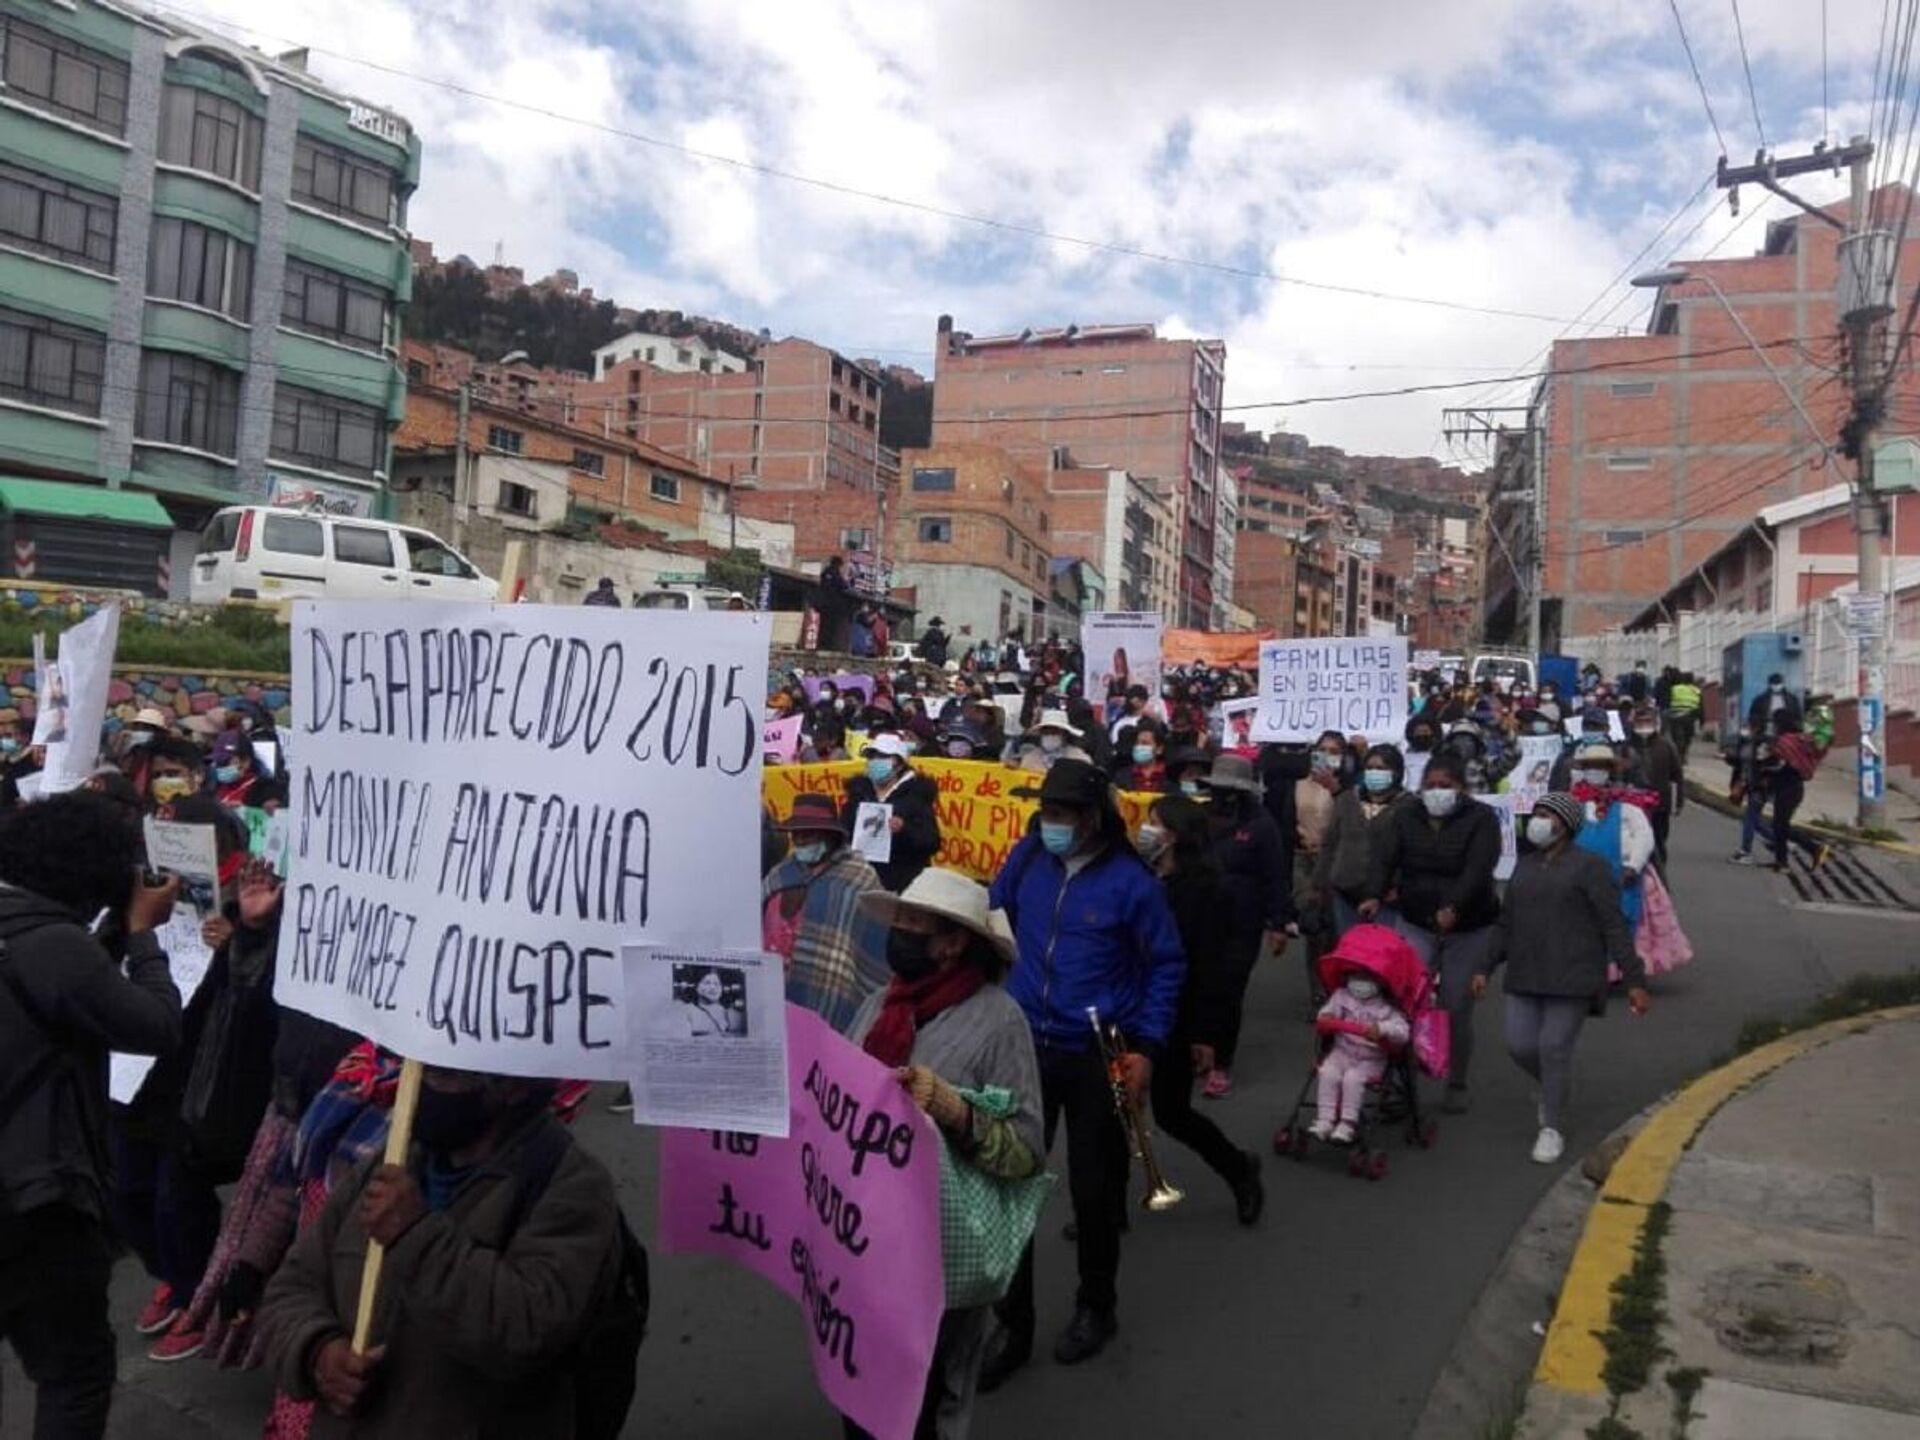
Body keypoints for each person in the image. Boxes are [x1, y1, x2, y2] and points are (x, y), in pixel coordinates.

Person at [258, 1065, 626, 1439]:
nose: (416, 1088)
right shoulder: (394, 1158)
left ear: (514, 1086)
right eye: (415, 1069)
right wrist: (316, 1351)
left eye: (442, 1077)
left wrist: (415, 1235)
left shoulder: (570, 1186)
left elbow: (527, 1330)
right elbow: (291, 1286)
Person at [982, 760, 1186, 1383]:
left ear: (1094, 820)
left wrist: (1147, 1049)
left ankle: (1097, 1307)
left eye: (1063, 816)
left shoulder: (1134, 886)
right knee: (1007, 1189)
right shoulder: (1027, 858)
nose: (1052, 825)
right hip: (1024, 1049)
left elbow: (1166, 967)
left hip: (1099, 1055)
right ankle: (1013, 1326)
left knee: (1095, 1193)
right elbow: (995, 912)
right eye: (1047, 813)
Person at [0, 792, 184, 1440]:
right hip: (34, 1201)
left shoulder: (24, 929)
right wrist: (142, 934)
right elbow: (159, 1024)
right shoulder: (56, 947)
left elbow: (72, 994)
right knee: (75, 1373)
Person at [845, 869, 1044, 1440]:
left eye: (913, 924)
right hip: (864, 1234)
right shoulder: (880, 1001)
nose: (899, 933)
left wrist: (956, 1111)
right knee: (859, 1384)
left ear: (953, 942)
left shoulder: (1000, 1022)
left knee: (920, 1399)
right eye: (899, 921)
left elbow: (1027, 1153)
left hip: (938, 1247)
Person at [1474, 793, 1650, 1164]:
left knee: (1554, 1047)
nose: (1537, 821)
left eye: (1546, 815)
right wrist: (1484, 967)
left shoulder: (1592, 867)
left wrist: (1634, 979)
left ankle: (1551, 1126)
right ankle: (1554, 1087)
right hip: (1526, 970)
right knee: (1520, 1045)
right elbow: (1506, 923)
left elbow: (1612, 924)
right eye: (1535, 814)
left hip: (1573, 975)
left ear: (1566, 825)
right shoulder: (1524, 866)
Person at [1134, 797, 1265, 1221]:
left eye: (1155, 824)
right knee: (1111, 1110)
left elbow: (1212, 969)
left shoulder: (1208, 889)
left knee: (1172, 1114)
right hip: (1131, 1008)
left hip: (1177, 1013)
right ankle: (1099, 1209)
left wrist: (1207, 1034)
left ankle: (1238, 1168)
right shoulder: (1139, 877)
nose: (1146, 830)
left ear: (1176, 833)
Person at [1359, 753, 1501, 1115]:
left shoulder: (1481, 819)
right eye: (1431, 786)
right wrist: (1374, 894)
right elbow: (1385, 858)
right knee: (1405, 1001)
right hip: (1416, 919)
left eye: (1445, 787)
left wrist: (1454, 905)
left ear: (1462, 789)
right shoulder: (1406, 816)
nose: (1437, 792)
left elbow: (1479, 868)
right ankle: (1398, 1080)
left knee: (1455, 1005)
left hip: (1469, 926)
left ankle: (1456, 1081)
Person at [1198, 753, 1294, 1099]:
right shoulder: (1200, 817)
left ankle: (1222, 1063)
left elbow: (1274, 876)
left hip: (1243, 921)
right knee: (1201, 986)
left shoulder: (1261, 825)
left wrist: (1278, 923)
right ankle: (1202, 1046)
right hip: (1203, 917)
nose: (1223, 796)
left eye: (1229, 790)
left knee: (1229, 990)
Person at [763, 794, 888, 1034]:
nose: (800, 840)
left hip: (827, 991)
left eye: (809, 834)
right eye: (796, 834)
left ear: (830, 835)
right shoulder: (781, 873)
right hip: (772, 992)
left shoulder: (857, 880)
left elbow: (873, 948)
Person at [1308, 952, 1410, 1144]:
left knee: (1352, 1079)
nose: (1360, 983)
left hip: (1371, 1058)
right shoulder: (1341, 996)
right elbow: (1327, 1012)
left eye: (1367, 978)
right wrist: (1326, 1017)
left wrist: (1382, 1029)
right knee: (1328, 1072)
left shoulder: (1387, 1008)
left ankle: (1347, 1123)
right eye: (1356, 977)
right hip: (1342, 1051)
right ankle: (1325, 1119)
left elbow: (1403, 1031)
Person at [1313, 744, 1409, 939]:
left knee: (1381, 953)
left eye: (1381, 768)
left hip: (1388, 898)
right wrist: (1320, 885)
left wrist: (1400, 887)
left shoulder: (1409, 806)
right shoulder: (1348, 799)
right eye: (1370, 768)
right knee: (1349, 951)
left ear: (1396, 772)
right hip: (1345, 893)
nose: (1374, 773)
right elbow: (1331, 843)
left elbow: (1413, 852)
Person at [840, 733, 942, 894]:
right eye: (872, 756)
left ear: (900, 764)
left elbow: (931, 842)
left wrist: (904, 830)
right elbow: (844, 831)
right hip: (861, 881)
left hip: (902, 885)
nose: (875, 761)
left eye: (883, 757)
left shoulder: (916, 796)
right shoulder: (860, 792)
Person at [1626, 704, 1683, 868]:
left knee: (1658, 842)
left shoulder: (1666, 746)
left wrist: (1678, 802)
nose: (1644, 726)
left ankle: (1659, 878)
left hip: (1660, 805)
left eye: (1648, 721)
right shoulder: (1626, 747)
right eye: (1640, 722)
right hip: (1632, 804)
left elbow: (1677, 775)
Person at [676, 967, 746, 1037]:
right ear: (697, 987)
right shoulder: (687, 1011)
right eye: (707, 983)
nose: (712, 987)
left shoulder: (734, 1014)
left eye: (716, 984)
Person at [1109, 718, 1168, 792]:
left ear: (1159, 749)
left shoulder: (1170, 777)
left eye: (1145, 743)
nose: (1139, 747)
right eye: (1136, 743)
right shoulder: (1121, 777)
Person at [1747, 672, 1803, 737]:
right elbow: (1753, 715)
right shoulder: (1760, 699)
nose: (1776, 686)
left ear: (1783, 684)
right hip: (1765, 731)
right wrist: (1758, 725)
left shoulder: (1792, 699)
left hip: (1787, 732)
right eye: (1774, 683)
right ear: (1769, 684)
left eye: (1778, 683)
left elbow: (1798, 716)